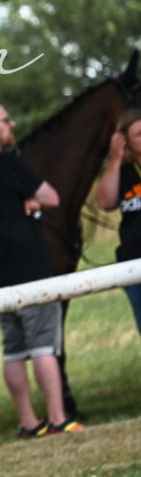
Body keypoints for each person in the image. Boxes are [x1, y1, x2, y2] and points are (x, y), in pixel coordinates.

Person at [0, 101, 84, 437]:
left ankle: (29, 424)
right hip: (31, 271)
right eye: (5, 120)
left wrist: (20, 201)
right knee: (43, 346)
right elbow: (52, 197)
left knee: (13, 350)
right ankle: (58, 419)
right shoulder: (6, 164)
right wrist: (31, 198)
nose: (11, 125)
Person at [94, 106, 141, 338]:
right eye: (139, 135)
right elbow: (105, 202)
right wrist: (115, 159)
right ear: (124, 141)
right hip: (133, 260)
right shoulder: (123, 171)